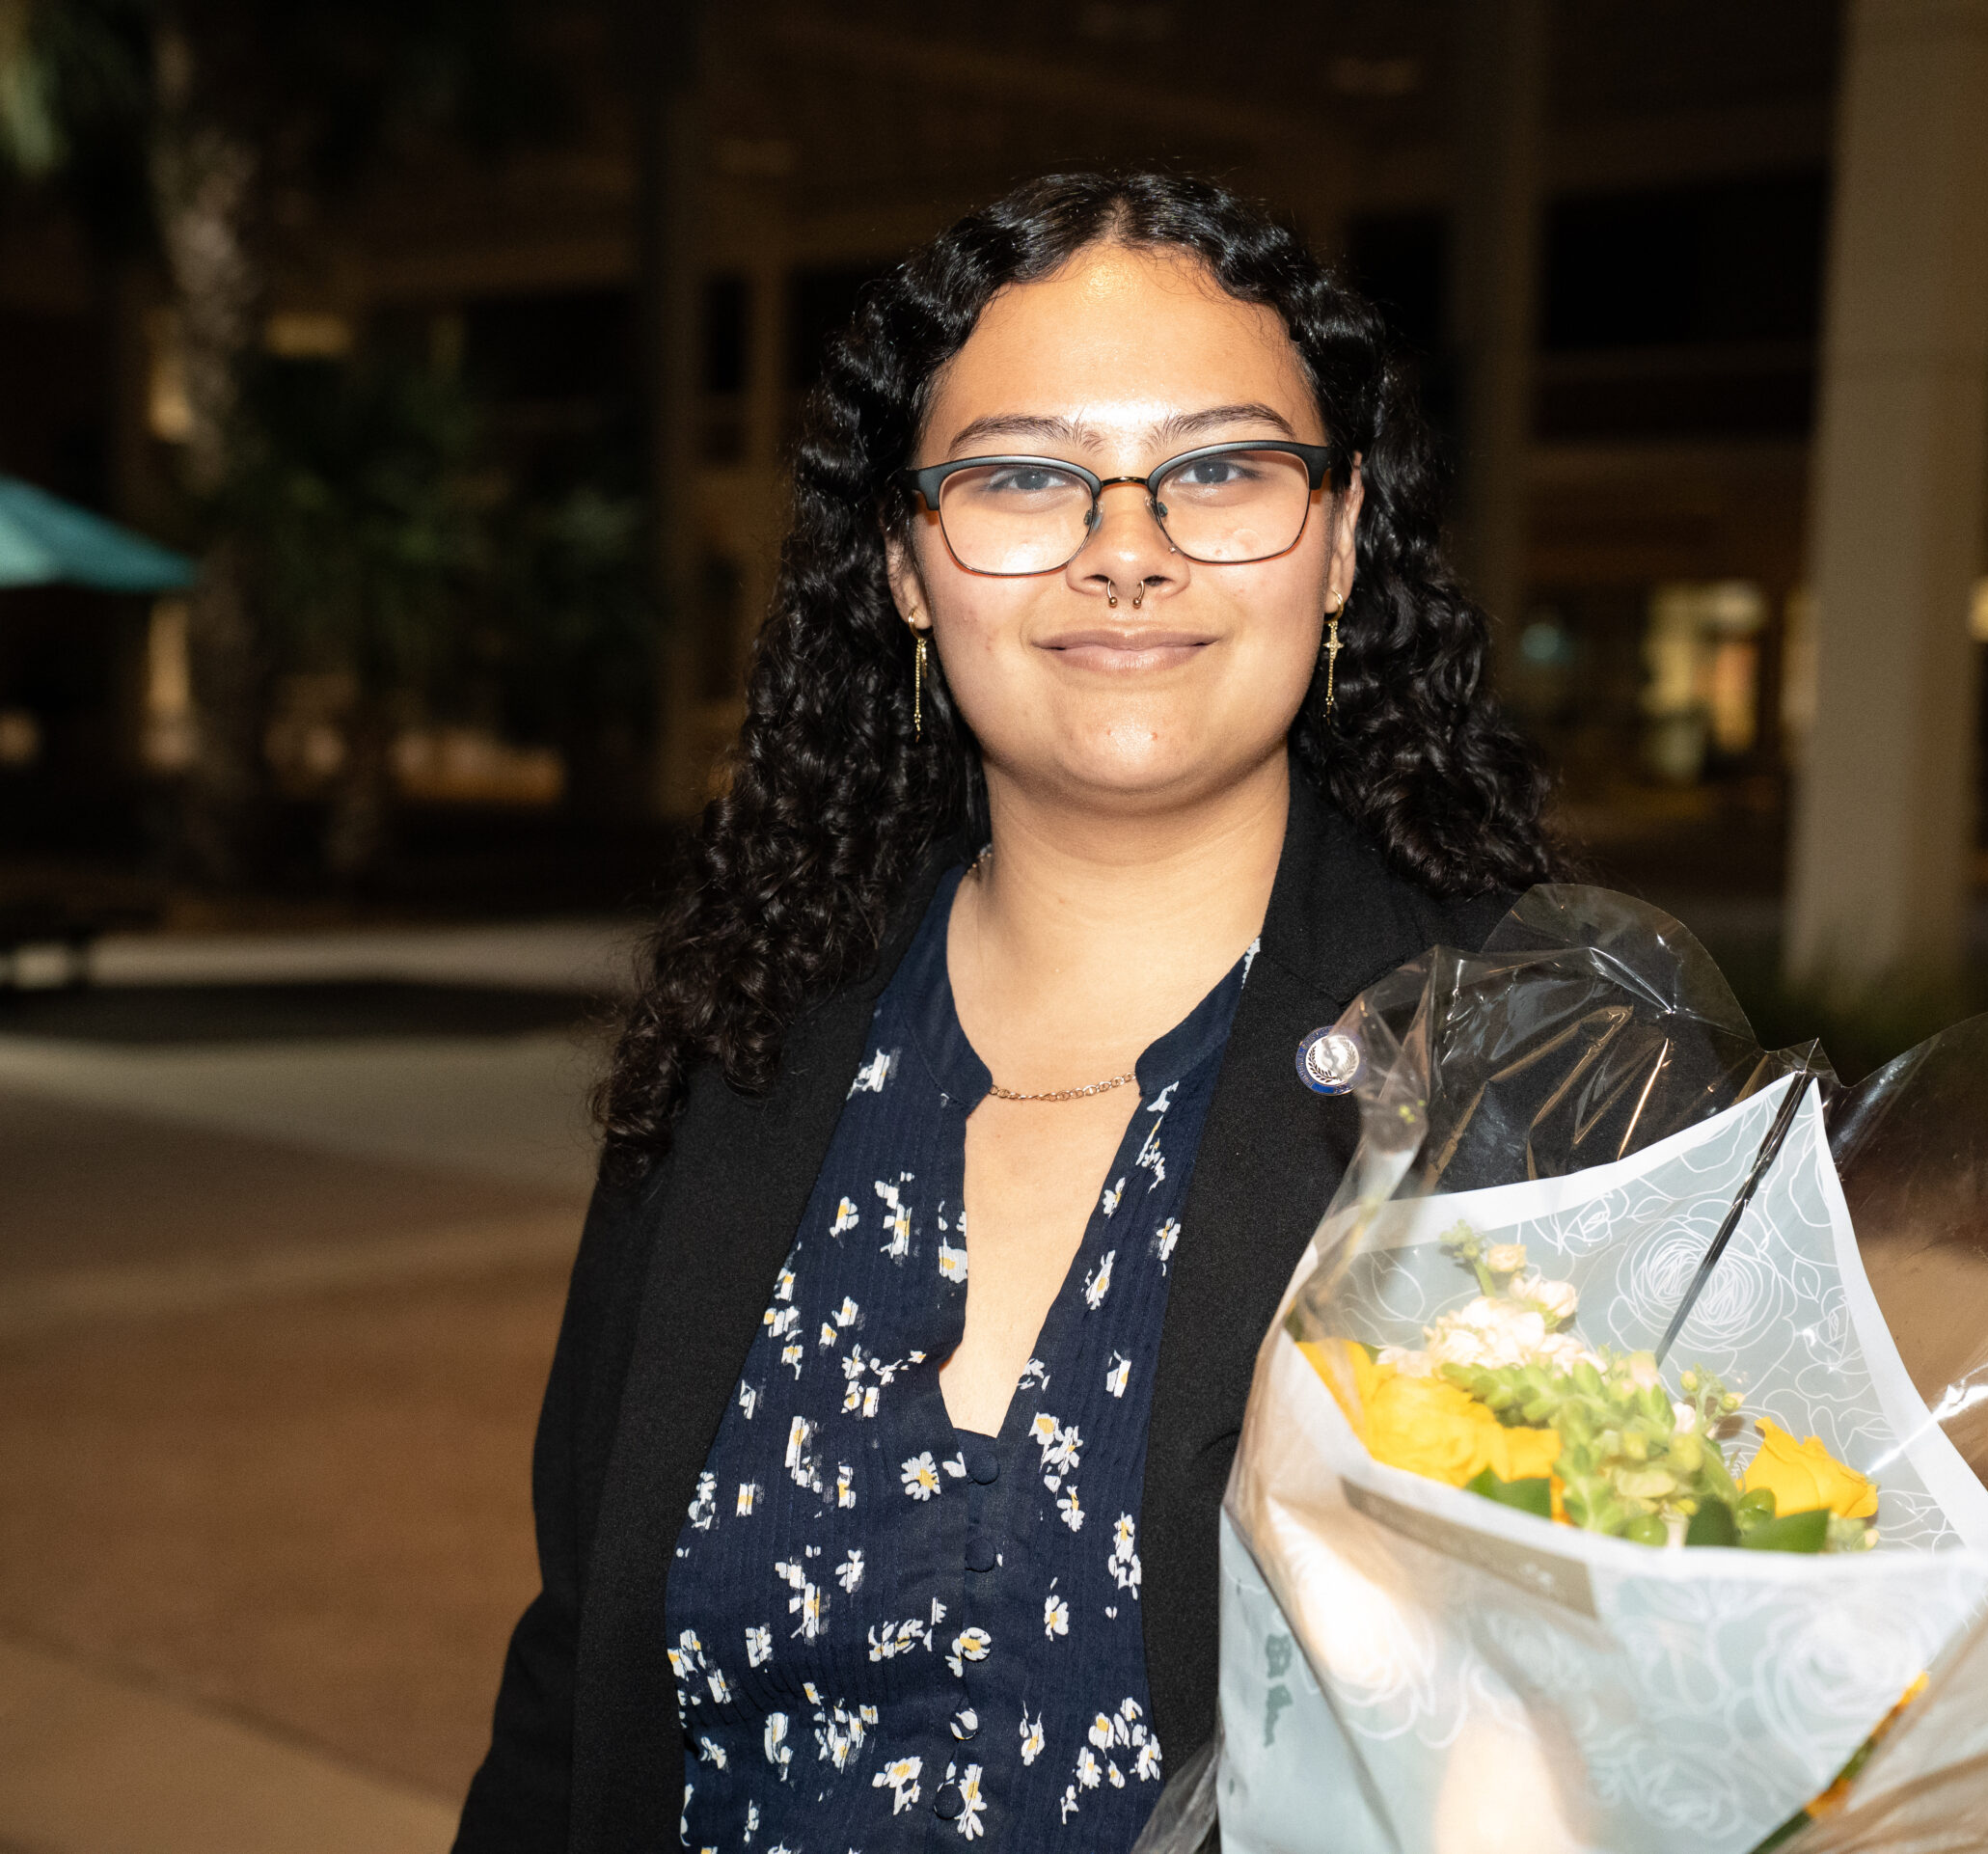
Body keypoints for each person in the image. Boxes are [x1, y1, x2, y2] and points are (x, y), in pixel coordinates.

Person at [453, 170, 1559, 1852]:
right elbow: (573, 1685)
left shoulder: (1534, 1063)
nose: (1128, 551)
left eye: (1221, 469)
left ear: (1340, 539)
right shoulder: (746, 1040)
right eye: (1026, 476)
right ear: (908, 563)